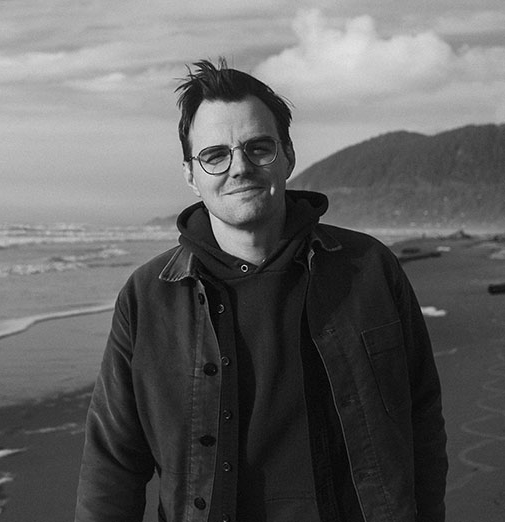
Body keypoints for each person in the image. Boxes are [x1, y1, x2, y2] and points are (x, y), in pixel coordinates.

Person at [75, 58, 448, 522]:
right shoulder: (149, 297)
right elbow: (113, 463)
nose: (239, 168)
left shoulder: (367, 269)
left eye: (258, 148)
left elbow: (422, 419)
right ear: (191, 174)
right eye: (215, 155)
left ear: (288, 155)